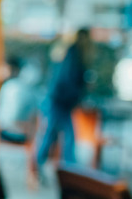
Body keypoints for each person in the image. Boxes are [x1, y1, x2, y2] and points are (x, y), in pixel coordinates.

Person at [34, 28, 94, 174]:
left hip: (60, 100)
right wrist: (79, 94)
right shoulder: (74, 54)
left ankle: (42, 165)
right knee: (62, 136)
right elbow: (68, 80)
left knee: (55, 135)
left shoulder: (71, 53)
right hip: (60, 101)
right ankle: (68, 171)